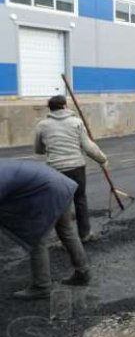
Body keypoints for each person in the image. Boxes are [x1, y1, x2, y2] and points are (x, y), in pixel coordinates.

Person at [0, 160, 91, 300]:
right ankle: (83, 272)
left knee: (37, 238)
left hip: (48, 190)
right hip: (62, 184)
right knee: (66, 231)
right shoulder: (4, 166)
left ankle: (42, 286)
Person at [34, 95, 108, 243]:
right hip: (77, 167)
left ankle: (66, 239)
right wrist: (102, 159)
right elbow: (88, 147)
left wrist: (50, 149)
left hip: (55, 169)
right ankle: (85, 234)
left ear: (50, 108)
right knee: (80, 199)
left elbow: (38, 149)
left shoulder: (42, 125)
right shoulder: (76, 122)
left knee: (61, 203)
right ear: (65, 106)